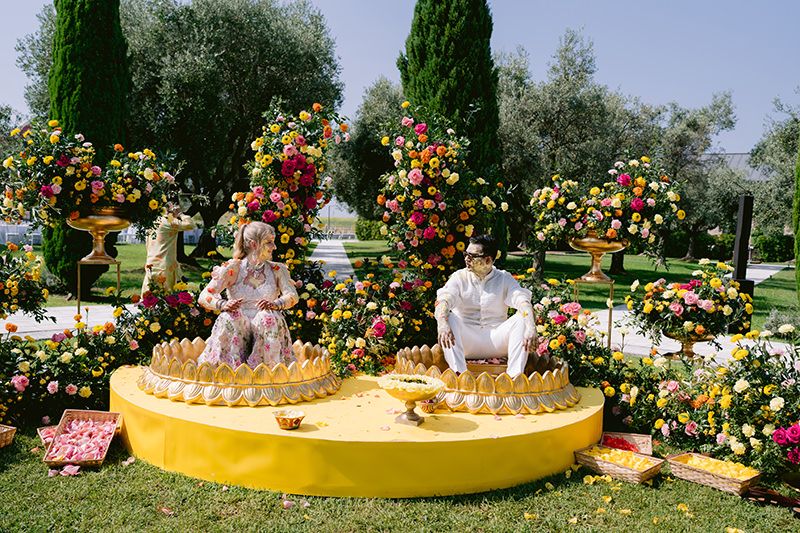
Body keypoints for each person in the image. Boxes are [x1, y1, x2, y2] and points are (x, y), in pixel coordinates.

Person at [197, 221, 299, 368]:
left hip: (266, 326)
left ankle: (269, 371)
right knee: (230, 315)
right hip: (239, 325)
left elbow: (292, 295)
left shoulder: (277, 269)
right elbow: (204, 295)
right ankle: (228, 369)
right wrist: (223, 304)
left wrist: (275, 305)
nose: (274, 247)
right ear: (253, 244)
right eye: (269, 242)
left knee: (267, 317)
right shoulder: (233, 269)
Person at [435, 234, 537, 378]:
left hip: (498, 340)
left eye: (472, 256)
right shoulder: (459, 277)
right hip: (467, 341)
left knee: (522, 318)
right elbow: (444, 300)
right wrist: (442, 324)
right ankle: (460, 375)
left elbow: (522, 300)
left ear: (488, 260)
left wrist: (531, 327)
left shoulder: (504, 278)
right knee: (448, 317)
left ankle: (514, 378)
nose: (466, 259)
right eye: (466, 254)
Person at [141, 205, 197, 294]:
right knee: (168, 296)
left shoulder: (151, 222)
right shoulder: (168, 221)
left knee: (150, 295)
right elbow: (190, 225)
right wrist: (180, 214)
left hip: (151, 262)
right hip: (164, 264)